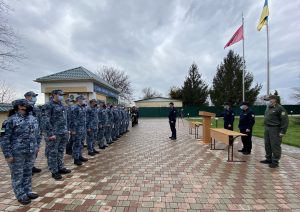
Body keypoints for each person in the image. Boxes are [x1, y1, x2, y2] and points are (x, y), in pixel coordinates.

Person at [1, 99, 39, 204]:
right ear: (18, 107)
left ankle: (28, 191)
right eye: (23, 106)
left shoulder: (32, 119)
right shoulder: (9, 120)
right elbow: (4, 139)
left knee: (27, 173)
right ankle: (20, 194)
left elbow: (36, 134)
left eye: (26, 105)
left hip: (30, 151)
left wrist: (36, 147)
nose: (25, 107)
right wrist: (7, 154)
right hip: (17, 153)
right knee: (17, 175)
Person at [42, 90, 71, 180]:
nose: (62, 96)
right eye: (60, 95)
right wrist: (50, 133)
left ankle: (60, 167)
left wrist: (67, 130)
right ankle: (54, 171)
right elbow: (45, 120)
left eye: (62, 95)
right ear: (54, 95)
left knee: (60, 151)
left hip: (63, 132)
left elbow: (65, 119)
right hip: (54, 134)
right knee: (52, 152)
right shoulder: (48, 105)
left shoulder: (62, 105)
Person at [260, 95, 289, 168]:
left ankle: (275, 161)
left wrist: (283, 131)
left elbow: (285, 120)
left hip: (275, 129)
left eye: (271, 99)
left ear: (275, 100)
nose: (269, 100)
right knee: (267, 144)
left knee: (275, 145)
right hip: (267, 128)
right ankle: (268, 159)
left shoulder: (280, 108)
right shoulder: (268, 107)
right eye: (269, 99)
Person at [24, 91, 42, 175]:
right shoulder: (23, 108)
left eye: (35, 96)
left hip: (36, 133)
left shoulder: (36, 109)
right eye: (33, 96)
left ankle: (31, 166)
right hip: (26, 134)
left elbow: (39, 121)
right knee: (27, 151)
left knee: (35, 150)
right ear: (27, 97)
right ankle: (27, 168)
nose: (35, 98)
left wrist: (40, 131)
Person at [70, 95, 88, 165]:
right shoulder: (74, 108)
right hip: (76, 130)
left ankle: (80, 156)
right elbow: (72, 120)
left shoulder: (82, 108)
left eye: (84, 99)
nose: (84, 100)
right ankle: (76, 159)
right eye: (83, 99)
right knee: (76, 144)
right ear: (78, 100)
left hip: (82, 129)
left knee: (81, 144)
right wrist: (73, 130)